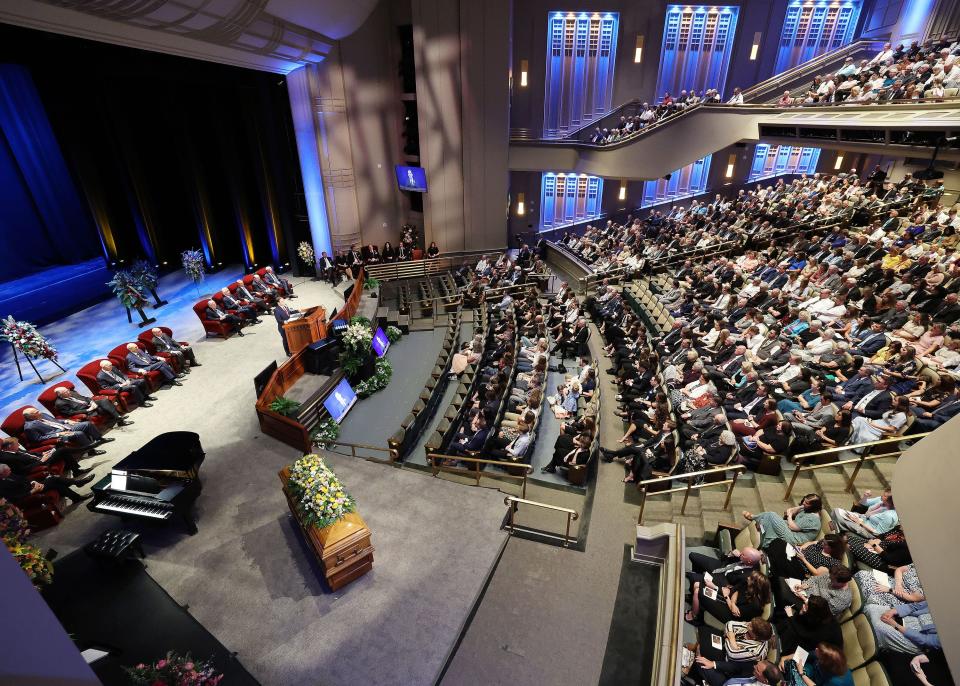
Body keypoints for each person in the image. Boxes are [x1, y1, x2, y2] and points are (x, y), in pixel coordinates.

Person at [687, 617, 773, 686]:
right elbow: (730, 623)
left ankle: (691, 659)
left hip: (727, 658)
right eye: (750, 622)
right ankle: (694, 650)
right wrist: (732, 642)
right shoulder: (751, 625)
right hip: (726, 646)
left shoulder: (757, 652)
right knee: (705, 633)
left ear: (755, 636)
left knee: (702, 649)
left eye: (750, 626)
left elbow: (732, 655)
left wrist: (730, 638)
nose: (747, 623)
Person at [742, 493, 823, 549]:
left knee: (771, 515)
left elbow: (792, 527)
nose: (804, 503)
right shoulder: (807, 508)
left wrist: (789, 515)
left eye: (807, 503)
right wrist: (800, 507)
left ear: (813, 506)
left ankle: (753, 517)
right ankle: (764, 541)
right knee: (770, 521)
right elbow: (790, 510)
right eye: (804, 501)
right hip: (791, 530)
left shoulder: (812, 519)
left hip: (794, 538)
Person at [21, 407, 109, 455]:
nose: (39, 412)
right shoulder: (29, 427)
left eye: (37, 410)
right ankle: (91, 451)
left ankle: (100, 439)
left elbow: (55, 421)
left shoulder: (42, 415)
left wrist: (67, 421)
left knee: (87, 424)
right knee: (79, 433)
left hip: (66, 427)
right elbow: (38, 439)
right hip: (59, 435)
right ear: (31, 416)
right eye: (36, 412)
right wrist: (58, 434)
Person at [0, 463, 93, 504]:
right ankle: (78, 483)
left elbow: (25, 479)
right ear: (2, 473)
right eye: (8, 470)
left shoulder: (10, 475)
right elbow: (15, 499)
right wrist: (33, 491)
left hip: (34, 486)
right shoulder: (2, 486)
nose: (11, 471)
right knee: (53, 480)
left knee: (56, 483)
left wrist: (34, 482)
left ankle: (77, 495)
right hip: (29, 494)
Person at [0, 436, 92, 478]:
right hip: (39, 464)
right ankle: (86, 448)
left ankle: (76, 470)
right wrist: (41, 461)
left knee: (59, 446)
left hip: (42, 458)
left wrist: (43, 453)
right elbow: (23, 469)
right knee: (62, 450)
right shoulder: (8, 458)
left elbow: (30, 453)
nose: (18, 445)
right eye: (17, 444)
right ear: (9, 446)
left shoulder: (15, 450)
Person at [832, 489, 897, 538]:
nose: (882, 496)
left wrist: (860, 523)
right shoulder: (880, 501)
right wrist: (865, 496)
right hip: (863, 518)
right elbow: (863, 503)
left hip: (867, 531)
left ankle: (837, 529)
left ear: (890, 501)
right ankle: (837, 528)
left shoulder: (890, 516)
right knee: (836, 511)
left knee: (839, 518)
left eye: (884, 496)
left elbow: (877, 533)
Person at [53, 386, 129, 427]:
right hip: (86, 410)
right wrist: (88, 410)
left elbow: (85, 398)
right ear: (60, 395)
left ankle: (118, 417)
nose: (68, 392)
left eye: (67, 390)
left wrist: (91, 402)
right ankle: (119, 420)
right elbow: (70, 413)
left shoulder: (72, 392)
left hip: (90, 404)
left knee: (104, 401)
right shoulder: (60, 403)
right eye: (66, 392)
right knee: (101, 408)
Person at [781, 642, 853, 686]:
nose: (816, 649)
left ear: (824, 662)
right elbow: (803, 654)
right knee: (792, 662)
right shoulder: (826, 655)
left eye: (819, 652)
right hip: (815, 673)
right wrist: (784, 658)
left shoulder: (836, 682)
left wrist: (802, 673)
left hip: (818, 682)